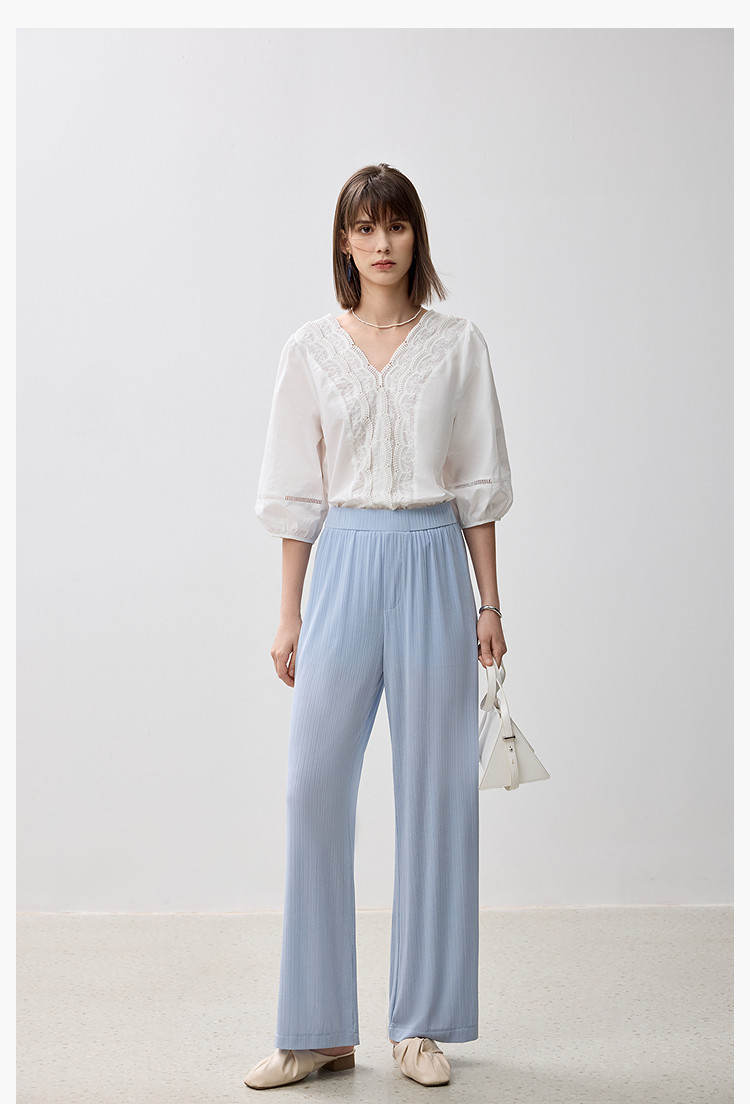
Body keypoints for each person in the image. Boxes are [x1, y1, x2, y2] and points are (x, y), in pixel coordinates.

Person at [245, 163, 513, 1090]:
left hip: (435, 558)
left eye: (396, 225)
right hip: (345, 564)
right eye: (365, 227)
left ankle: (421, 1025)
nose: (382, 242)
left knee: (437, 792)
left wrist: (488, 601)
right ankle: (317, 1028)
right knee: (313, 786)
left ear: (414, 237)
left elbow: (478, 484)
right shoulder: (311, 350)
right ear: (345, 242)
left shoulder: (458, 345)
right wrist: (289, 613)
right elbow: (296, 493)